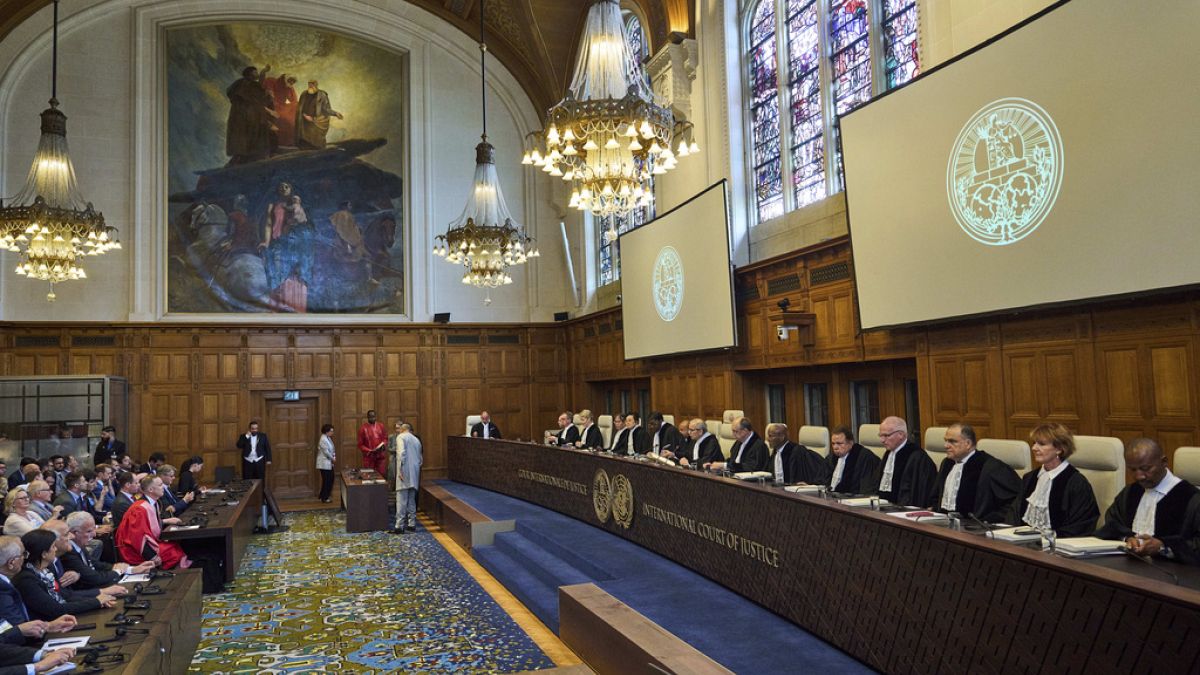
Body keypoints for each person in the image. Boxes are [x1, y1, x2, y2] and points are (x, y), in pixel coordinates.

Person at [1095, 438, 1200, 561]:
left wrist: (1163, 547)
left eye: (1145, 468)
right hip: (1128, 566)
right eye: (1133, 470)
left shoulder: (1191, 498)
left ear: (1164, 462)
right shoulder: (1130, 492)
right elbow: (1112, 525)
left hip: (1174, 573)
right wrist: (1128, 538)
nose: (1139, 476)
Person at [1009, 423, 1100, 537]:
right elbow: (1014, 515)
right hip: (1025, 545)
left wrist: (1050, 537)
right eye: (1034, 443)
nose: (1034, 448)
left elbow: (1081, 524)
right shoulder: (1030, 478)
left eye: (1041, 444)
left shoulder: (1076, 482)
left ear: (1059, 449)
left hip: (1060, 547)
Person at [13, 530, 116, 620]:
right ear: (44, 554)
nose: (56, 549)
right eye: (53, 547)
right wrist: (96, 602)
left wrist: (99, 599)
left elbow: (66, 595)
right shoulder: (26, 580)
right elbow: (56, 609)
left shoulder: (47, 569)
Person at [0, 535, 79, 649]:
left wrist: (48, 626)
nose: (25, 558)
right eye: (23, 554)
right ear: (11, 563)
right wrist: (40, 657)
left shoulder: (5, 581)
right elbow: (15, 628)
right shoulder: (3, 589)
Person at [931, 424, 1021, 523]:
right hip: (945, 525)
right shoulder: (947, 463)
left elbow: (1013, 503)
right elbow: (937, 497)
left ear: (968, 444)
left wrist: (988, 519)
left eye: (952, 441)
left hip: (977, 529)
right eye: (946, 441)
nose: (946, 446)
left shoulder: (991, 467)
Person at [61, 512, 154, 590]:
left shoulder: (78, 544)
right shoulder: (68, 552)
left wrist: (131, 569)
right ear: (74, 533)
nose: (94, 534)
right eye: (89, 531)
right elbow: (94, 578)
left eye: (94, 529)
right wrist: (118, 571)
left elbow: (95, 564)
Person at [116, 476, 188, 571]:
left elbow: (150, 525)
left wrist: (165, 521)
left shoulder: (154, 503)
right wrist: (152, 556)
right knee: (173, 552)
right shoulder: (139, 509)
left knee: (177, 545)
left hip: (146, 543)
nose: (163, 487)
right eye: (160, 485)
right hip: (134, 550)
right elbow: (137, 537)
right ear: (150, 489)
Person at [875, 416, 937, 507]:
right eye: (880, 436)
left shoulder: (917, 457)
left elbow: (918, 493)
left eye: (886, 435)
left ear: (901, 434)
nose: (882, 440)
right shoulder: (889, 454)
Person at [225, 65, 275, 164]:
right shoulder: (241, 83)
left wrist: (268, 95)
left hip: (252, 114)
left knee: (255, 132)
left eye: (257, 73)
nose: (256, 74)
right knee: (243, 134)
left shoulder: (253, 85)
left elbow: (260, 97)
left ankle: (253, 154)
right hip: (242, 114)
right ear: (249, 73)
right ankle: (242, 155)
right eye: (255, 72)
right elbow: (233, 93)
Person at [826, 426, 881, 494]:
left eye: (839, 443)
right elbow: (822, 481)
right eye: (833, 443)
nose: (835, 447)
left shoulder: (864, 457)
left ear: (851, 443)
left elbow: (866, 488)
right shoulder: (831, 458)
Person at [295, 79, 344, 149]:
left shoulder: (322, 95)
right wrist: (305, 115)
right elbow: (299, 108)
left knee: (317, 143)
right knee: (305, 142)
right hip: (304, 121)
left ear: (316, 85)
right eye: (309, 85)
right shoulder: (304, 94)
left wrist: (336, 113)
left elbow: (326, 109)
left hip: (316, 121)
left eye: (312, 84)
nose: (310, 86)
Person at [392, 424, 423, 534]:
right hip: (414, 473)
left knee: (401, 499)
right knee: (411, 499)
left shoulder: (401, 437)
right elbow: (420, 460)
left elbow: (401, 453)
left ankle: (399, 526)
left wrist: (400, 470)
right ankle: (412, 524)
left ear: (403, 429)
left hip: (404, 472)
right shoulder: (416, 440)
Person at [357, 411, 388, 477]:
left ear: (376, 416)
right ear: (367, 417)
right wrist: (369, 450)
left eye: (374, 417)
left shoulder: (381, 426)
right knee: (369, 475)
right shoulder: (363, 428)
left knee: (381, 474)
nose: (372, 418)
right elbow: (360, 444)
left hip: (380, 456)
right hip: (369, 457)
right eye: (370, 417)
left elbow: (385, 438)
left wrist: (383, 445)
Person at [317, 424, 336, 503]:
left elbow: (332, 449)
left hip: (328, 463)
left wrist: (334, 456)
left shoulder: (328, 438)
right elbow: (326, 452)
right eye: (331, 431)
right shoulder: (323, 439)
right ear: (327, 431)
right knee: (327, 480)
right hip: (324, 463)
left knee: (330, 479)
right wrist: (332, 458)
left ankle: (323, 495)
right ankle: (324, 497)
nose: (332, 432)